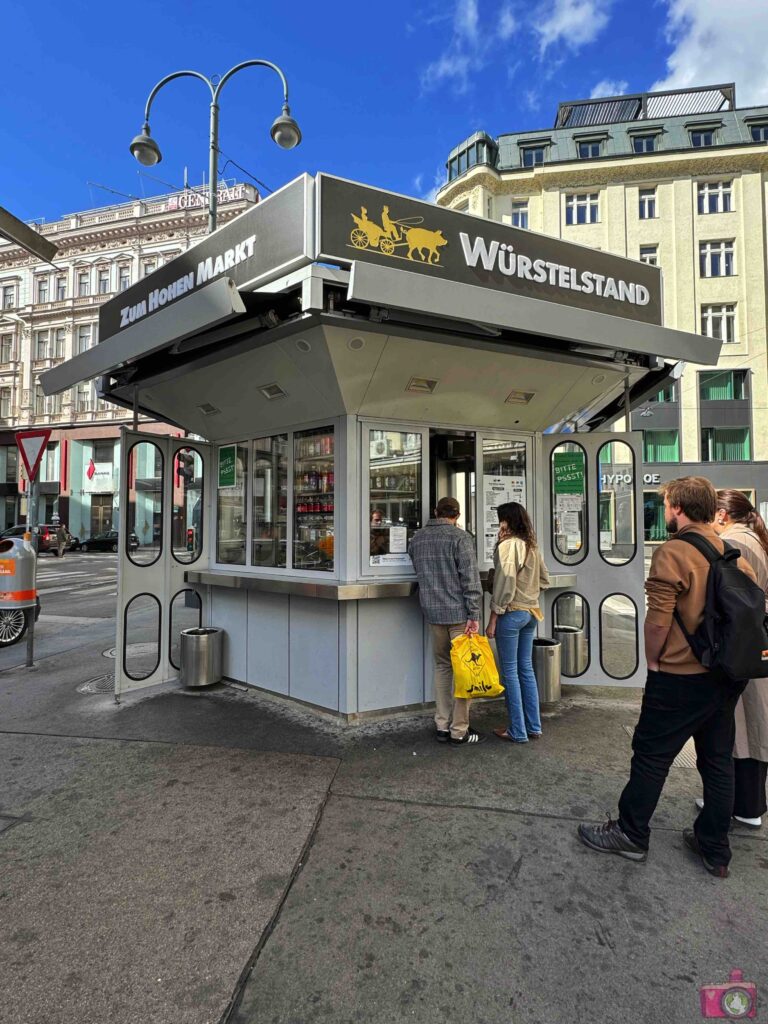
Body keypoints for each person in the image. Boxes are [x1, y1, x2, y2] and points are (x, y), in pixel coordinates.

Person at [578, 477, 756, 878]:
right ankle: (714, 849)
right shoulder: (734, 553)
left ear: (677, 507)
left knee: (652, 755)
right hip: (726, 677)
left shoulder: (673, 552)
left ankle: (630, 833)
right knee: (717, 761)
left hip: (680, 677)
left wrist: (653, 663)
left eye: (668, 506)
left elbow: (658, 620)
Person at [708, 490, 768, 828]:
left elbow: (736, 602)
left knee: (742, 727)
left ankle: (741, 805)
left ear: (721, 514)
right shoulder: (754, 538)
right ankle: (745, 802)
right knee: (751, 724)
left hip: (742, 647)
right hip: (754, 645)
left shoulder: (736, 544)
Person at [408, 496, 483, 746]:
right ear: (457, 515)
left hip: (432, 613)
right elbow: (470, 580)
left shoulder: (417, 538)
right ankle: (459, 729)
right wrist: (474, 614)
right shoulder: (460, 538)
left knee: (442, 667)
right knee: (465, 671)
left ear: (435, 511)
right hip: (459, 615)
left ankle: (441, 724)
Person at [486, 502, 551, 743]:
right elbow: (545, 579)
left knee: (510, 672)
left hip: (511, 614)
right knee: (526, 670)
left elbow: (504, 584)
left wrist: (494, 617)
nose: (498, 524)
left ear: (507, 521)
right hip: (531, 613)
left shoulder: (509, 546)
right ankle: (533, 726)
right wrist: (529, 594)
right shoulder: (531, 545)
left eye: (500, 519)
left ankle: (517, 730)